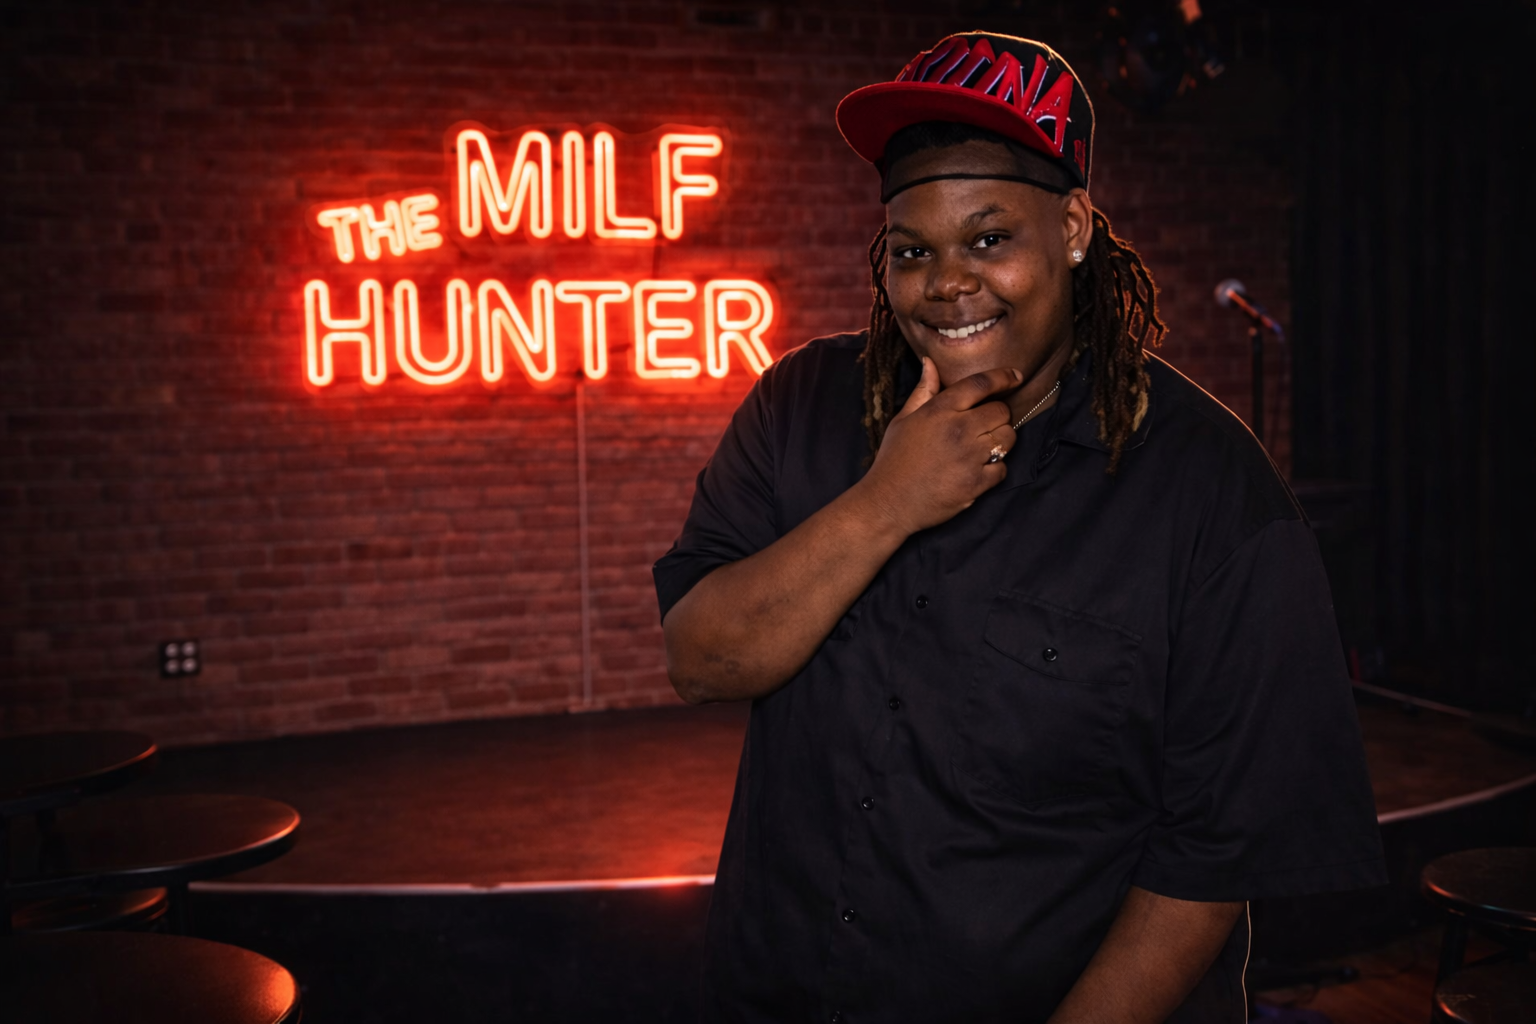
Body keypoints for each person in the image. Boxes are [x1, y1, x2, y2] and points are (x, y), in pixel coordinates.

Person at [653, 32, 1385, 1024]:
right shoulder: (797, 410)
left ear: (1075, 227)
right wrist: (885, 503)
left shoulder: (1212, 492)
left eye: (988, 238)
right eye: (913, 251)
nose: (947, 282)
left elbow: (1212, 857)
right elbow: (701, 657)